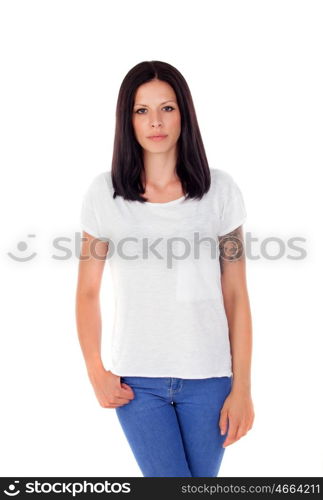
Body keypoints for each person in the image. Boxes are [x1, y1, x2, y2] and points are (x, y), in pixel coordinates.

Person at [75, 60, 255, 477]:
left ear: (184, 114)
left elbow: (236, 293)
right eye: (142, 110)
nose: (155, 121)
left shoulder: (220, 191)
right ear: (128, 120)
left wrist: (242, 385)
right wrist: (95, 371)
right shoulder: (105, 194)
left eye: (167, 108)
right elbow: (87, 291)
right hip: (135, 382)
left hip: (210, 378)